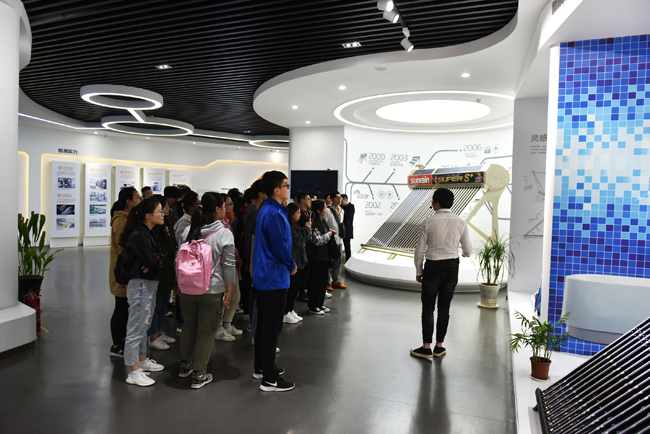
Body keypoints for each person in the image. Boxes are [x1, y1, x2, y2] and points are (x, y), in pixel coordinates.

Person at [178, 192, 236, 389]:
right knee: (206, 331)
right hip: (212, 289)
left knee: (188, 326)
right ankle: (199, 374)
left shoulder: (188, 231)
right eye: (224, 206)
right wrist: (229, 290)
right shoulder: (224, 233)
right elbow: (229, 265)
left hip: (187, 288)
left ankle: (185, 365)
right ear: (217, 209)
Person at [411, 188, 472, 359]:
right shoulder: (461, 222)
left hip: (432, 266)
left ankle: (426, 347)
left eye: (432, 201)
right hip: (452, 266)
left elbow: (419, 250)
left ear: (436, 203)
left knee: (428, 307)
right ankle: (439, 347)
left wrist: (419, 270)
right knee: (444, 308)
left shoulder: (427, 222)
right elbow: (468, 250)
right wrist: (460, 253)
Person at [252, 171, 296, 392]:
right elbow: (280, 246)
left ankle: (262, 367)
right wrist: (291, 264)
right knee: (271, 328)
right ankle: (269, 379)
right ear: (276, 189)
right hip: (273, 277)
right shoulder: (274, 213)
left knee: (264, 325)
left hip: (265, 276)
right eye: (285, 185)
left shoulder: (269, 209)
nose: (288, 188)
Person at [118, 198, 166, 386]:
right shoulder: (139, 234)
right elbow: (155, 262)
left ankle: (142, 359)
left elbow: (161, 255)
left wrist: (155, 260)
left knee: (144, 323)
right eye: (159, 211)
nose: (162, 214)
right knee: (136, 326)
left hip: (148, 283)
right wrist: (154, 261)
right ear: (148, 215)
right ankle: (133, 370)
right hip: (140, 284)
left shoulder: (148, 233)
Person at [109, 187, 141, 358]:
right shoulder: (121, 220)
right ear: (128, 201)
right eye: (137, 197)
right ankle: (116, 345)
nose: (139, 199)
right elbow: (125, 243)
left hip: (128, 270)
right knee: (121, 307)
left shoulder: (129, 218)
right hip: (121, 271)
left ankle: (122, 339)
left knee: (126, 308)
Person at [148, 195, 178, 350]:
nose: (166, 210)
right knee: (156, 305)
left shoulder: (167, 223)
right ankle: (153, 335)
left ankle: (159, 332)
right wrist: (171, 251)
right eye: (163, 208)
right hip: (160, 270)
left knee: (163, 303)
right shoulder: (153, 229)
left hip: (168, 270)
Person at [214, 194, 243, 341]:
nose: (231, 207)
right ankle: (218, 328)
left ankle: (227, 324)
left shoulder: (227, 223)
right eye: (228, 204)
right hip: (221, 267)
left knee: (235, 296)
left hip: (231, 264)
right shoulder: (214, 227)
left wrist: (236, 255)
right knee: (223, 298)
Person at [172, 190, 201, 333]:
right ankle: (180, 322)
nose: (200, 207)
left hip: (189, 264)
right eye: (197, 204)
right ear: (190, 207)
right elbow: (180, 245)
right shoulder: (184, 222)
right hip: (184, 264)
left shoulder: (191, 221)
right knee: (181, 293)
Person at [306, 200, 334, 315]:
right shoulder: (313, 223)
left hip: (324, 257)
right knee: (315, 282)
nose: (326, 210)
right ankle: (313, 305)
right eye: (324, 208)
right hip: (317, 258)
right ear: (318, 210)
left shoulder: (322, 221)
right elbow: (317, 240)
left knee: (322, 282)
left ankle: (319, 303)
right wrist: (329, 235)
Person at [284, 203, 310, 323]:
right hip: (294, 261)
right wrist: (307, 228)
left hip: (299, 260)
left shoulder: (295, 225)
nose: (299, 215)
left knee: (294, 289)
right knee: (291, 289)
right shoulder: (289, 227)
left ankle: (290, 309)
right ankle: (286, 312)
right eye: (298, 213)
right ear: (292, 214)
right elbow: (298, 240)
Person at [324, 191, 346, 290]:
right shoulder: (328, 210)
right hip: (330, 239)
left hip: (339, 239)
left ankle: (335, 281)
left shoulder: (341, 210)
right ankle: (327, 282)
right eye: (337, 198)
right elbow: (325, 223)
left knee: (338, 261)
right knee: (329, 262)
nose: (339, 199)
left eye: (340, 198)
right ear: (332, 199)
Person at [341, 194, 355, 263]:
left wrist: (342, 211)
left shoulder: (351, 207)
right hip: (340, 228)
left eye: (342, 201)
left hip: (347, 229)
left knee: (347, 246)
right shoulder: (340, 207)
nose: (341, 203)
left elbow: (349, 217)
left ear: (346, 200)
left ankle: (348, 262)